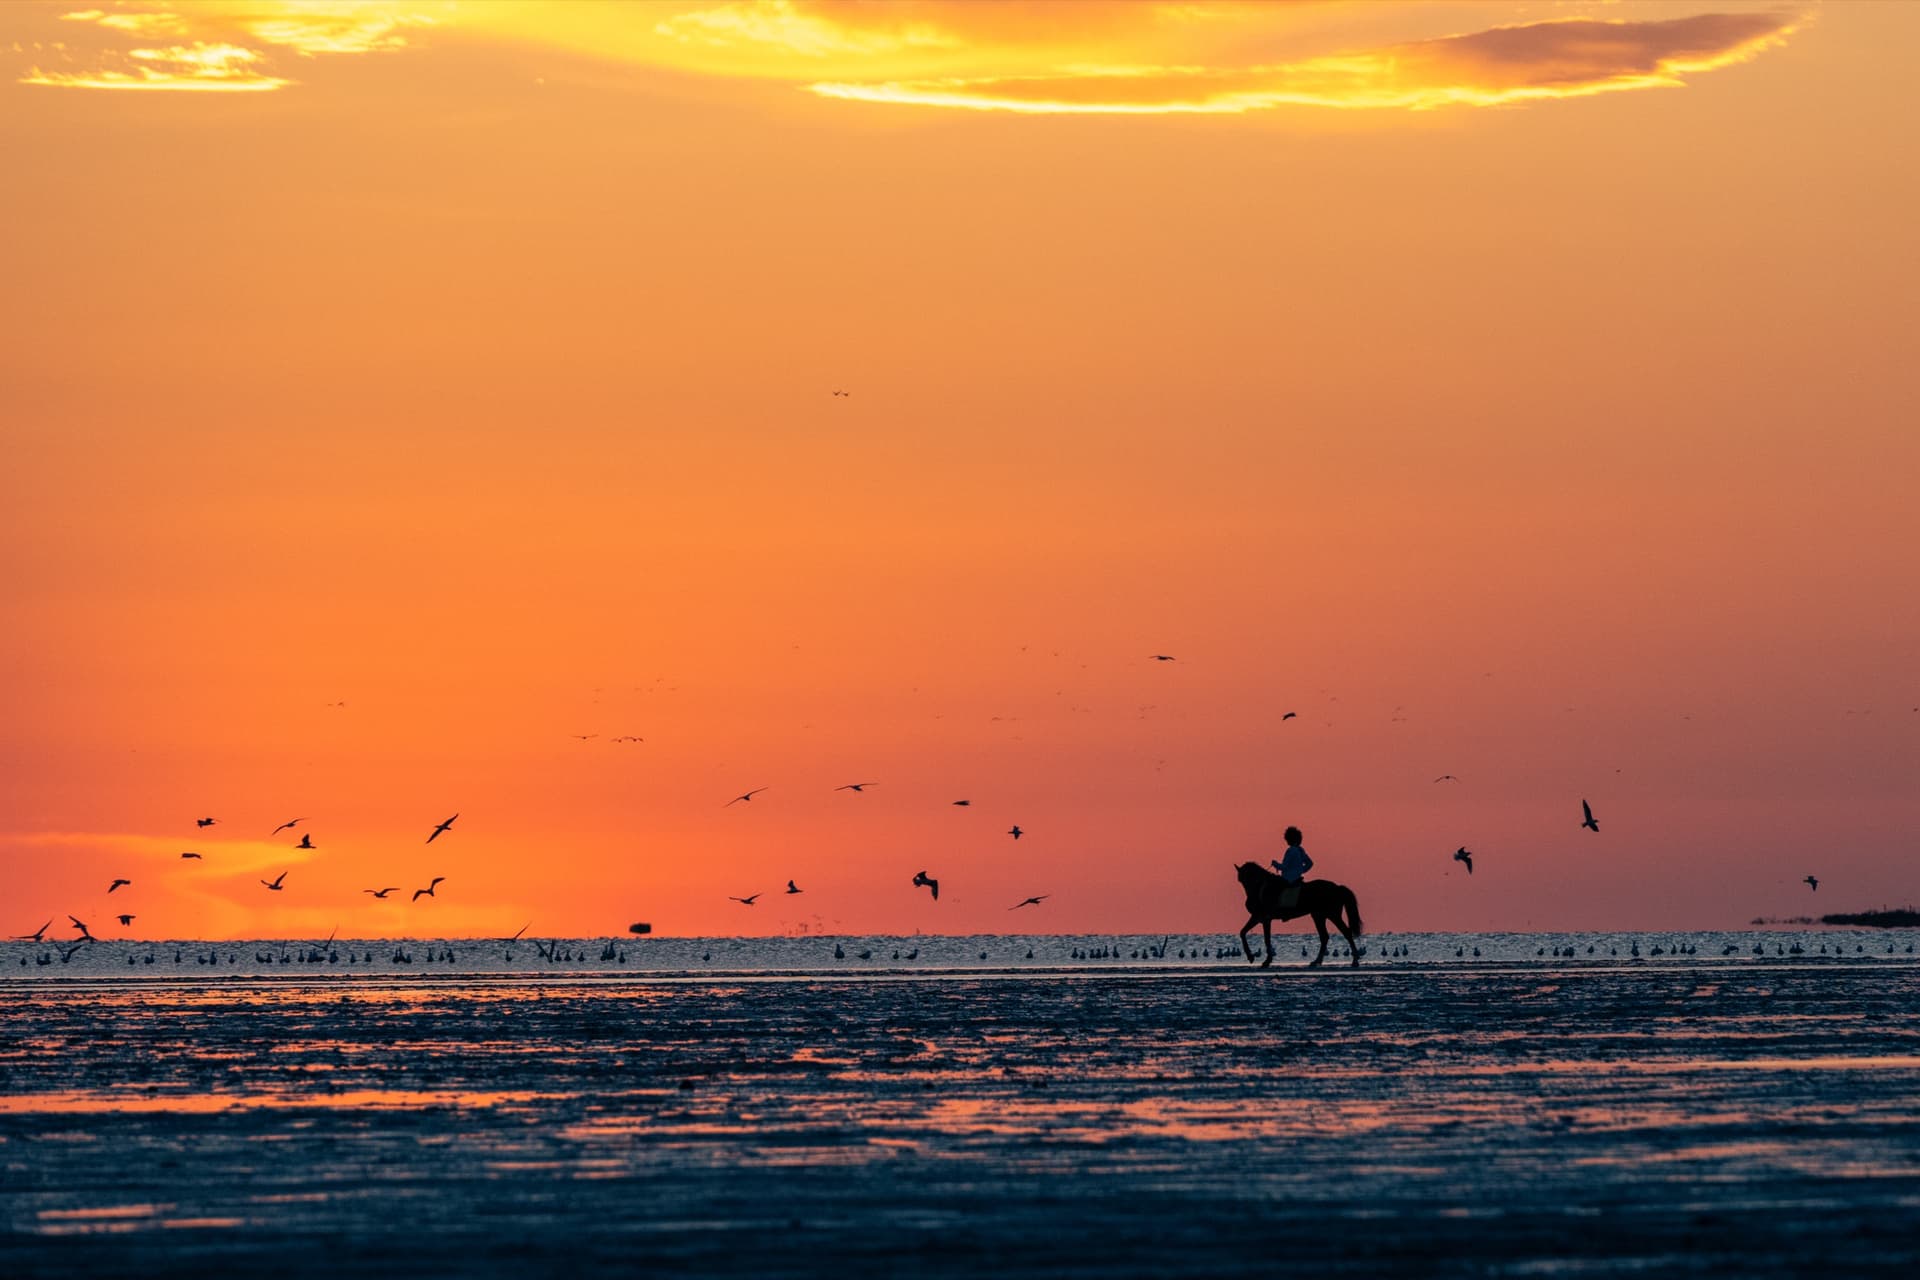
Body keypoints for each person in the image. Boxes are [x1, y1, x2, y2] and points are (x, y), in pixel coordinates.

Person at [1270, 826, 1312, 912]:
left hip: (1288, 879)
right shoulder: (1300, 850)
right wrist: (1300, 870)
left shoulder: (1291, 850)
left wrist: (1275, 864)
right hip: (1297, 878)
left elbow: (1284, 867)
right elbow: (1310, 863)